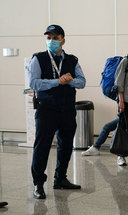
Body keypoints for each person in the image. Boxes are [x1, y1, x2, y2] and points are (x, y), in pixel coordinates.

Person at [27, 24, 86, 199]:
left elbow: (82, 82)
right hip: (47, 109)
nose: (51, 41)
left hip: (67, 108)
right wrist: (56, 82)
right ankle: (38, 184)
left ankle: (60, 178)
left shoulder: (72, 60)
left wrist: (69, 81)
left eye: (55, 38)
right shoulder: (38, 59)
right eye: (48, 38)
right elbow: (34, 83)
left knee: (66, 144)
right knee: (42, 146)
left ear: (63, 40)